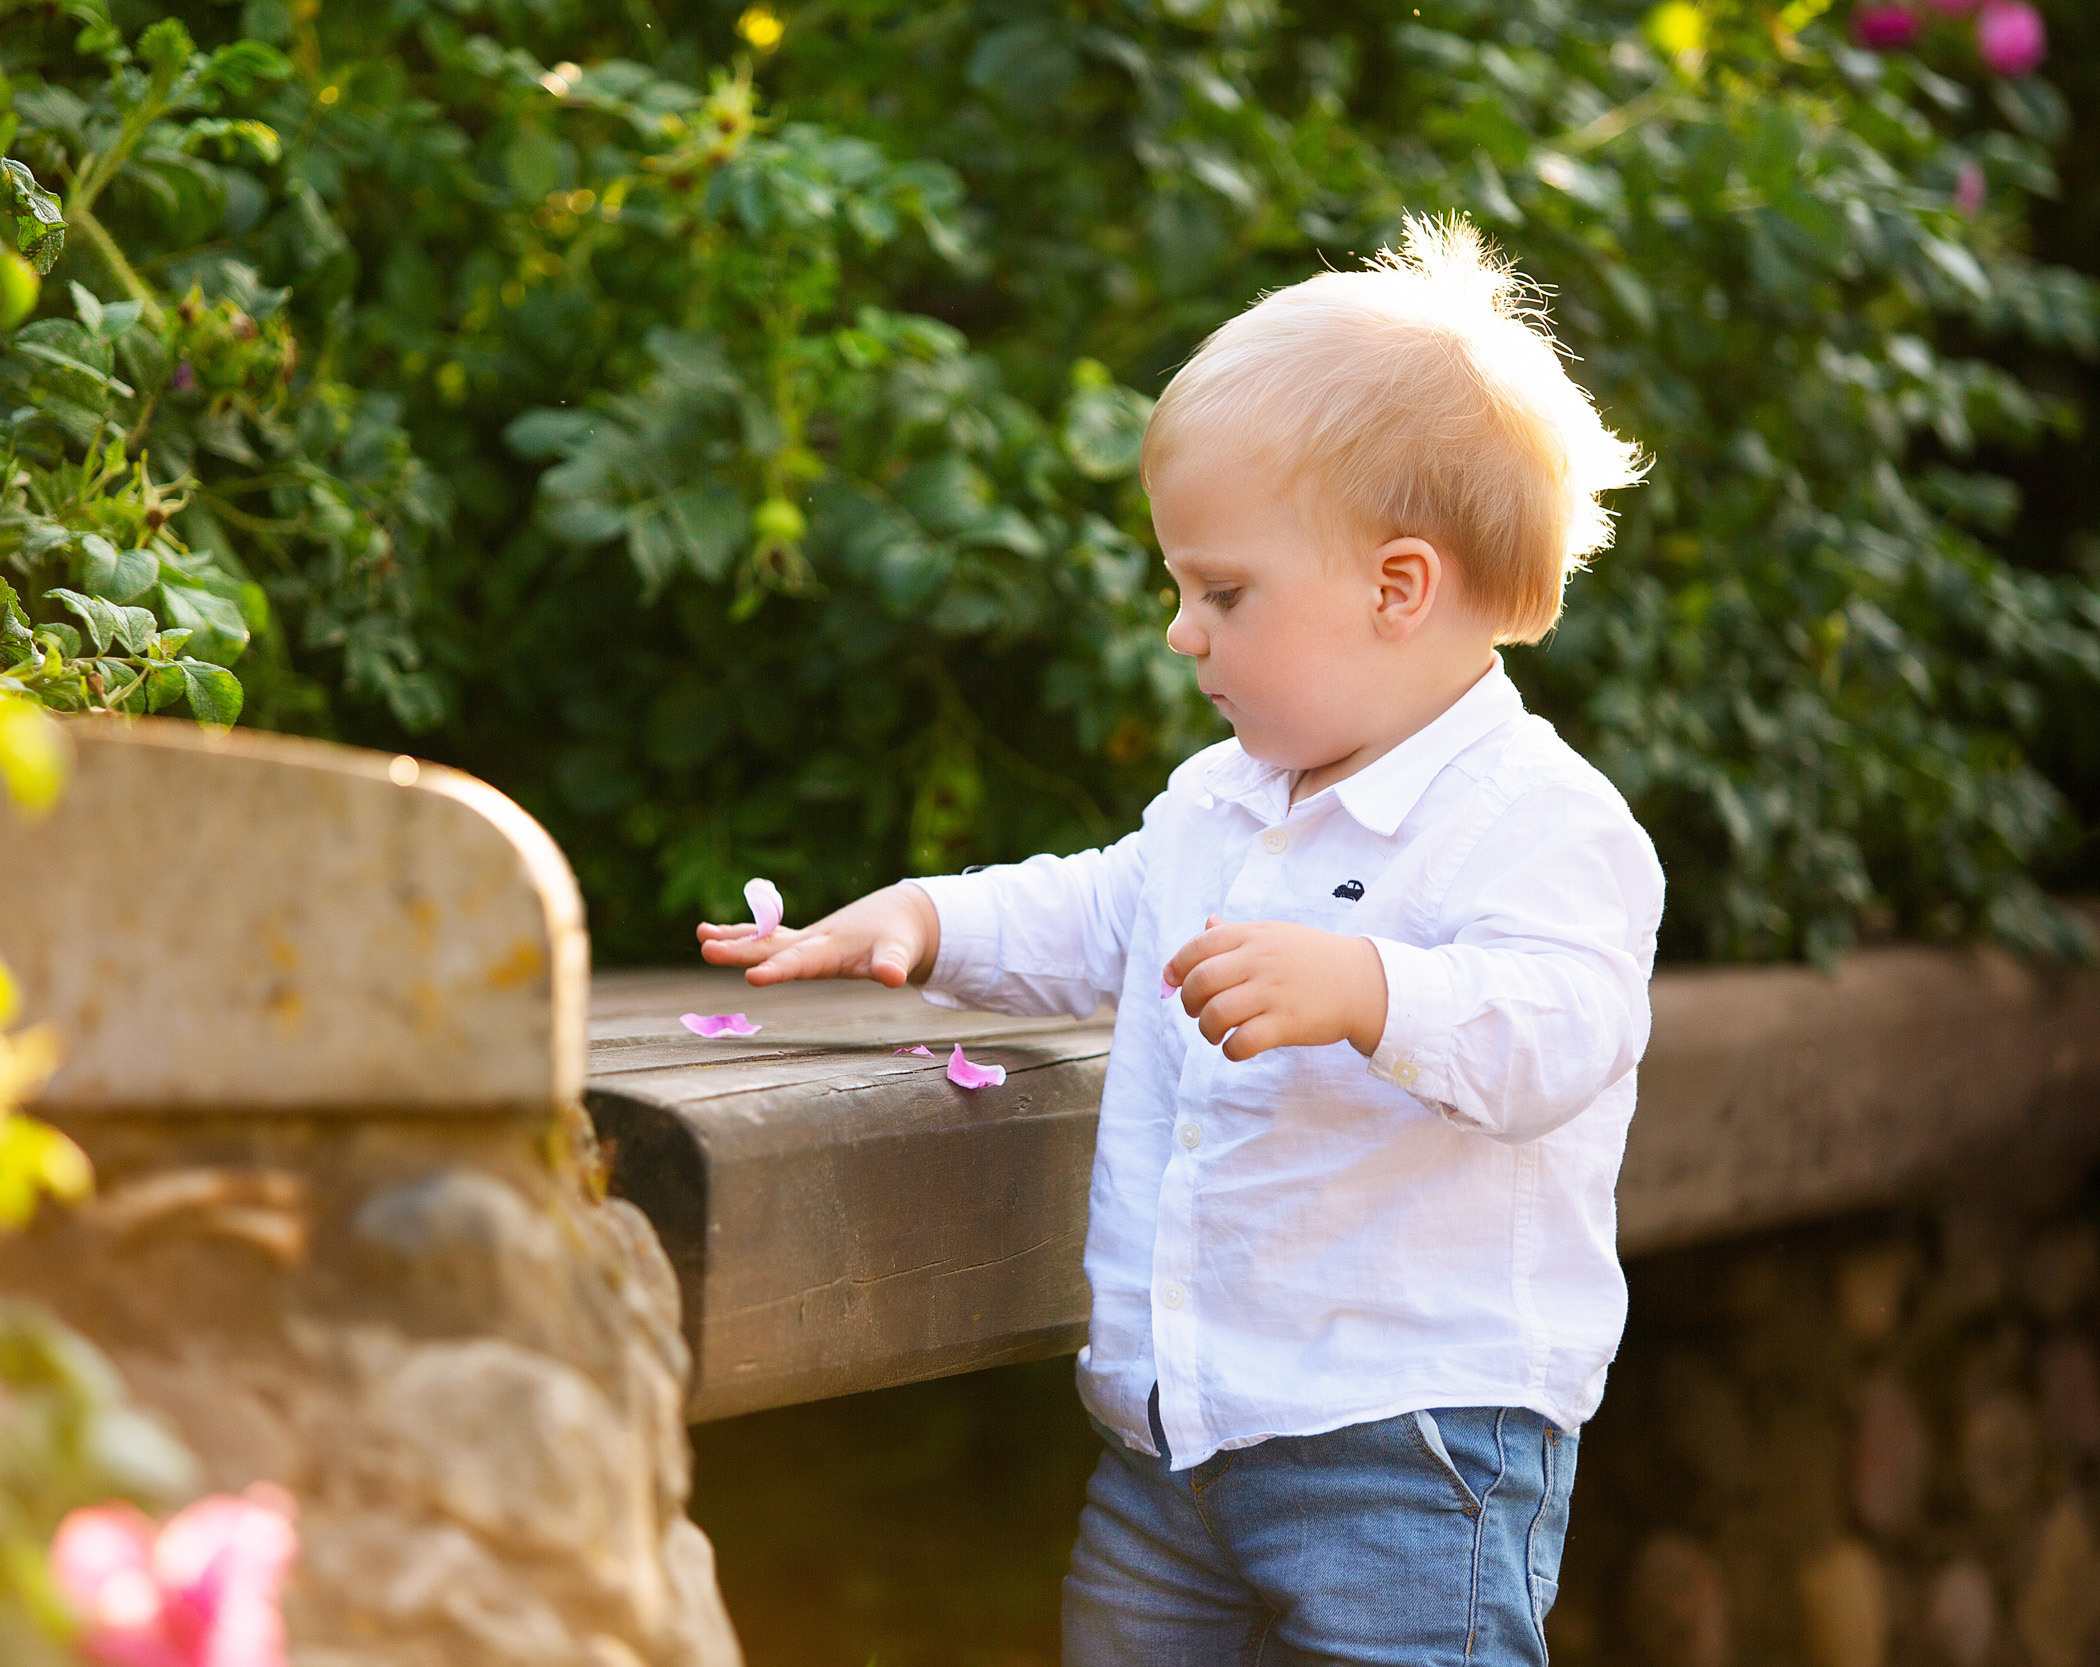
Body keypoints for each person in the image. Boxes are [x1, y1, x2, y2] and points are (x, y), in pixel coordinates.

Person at [697, 214, 1663, 1665]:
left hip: (1410, 1442)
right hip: (1176, 1437)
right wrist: (925, 917)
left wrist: (1368, 988)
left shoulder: (1539, 821)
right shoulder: (1222, 803)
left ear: (1399, 588)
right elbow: (1104, 907)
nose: (1180, 633)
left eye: (1222, 593)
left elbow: (1560, 1033)